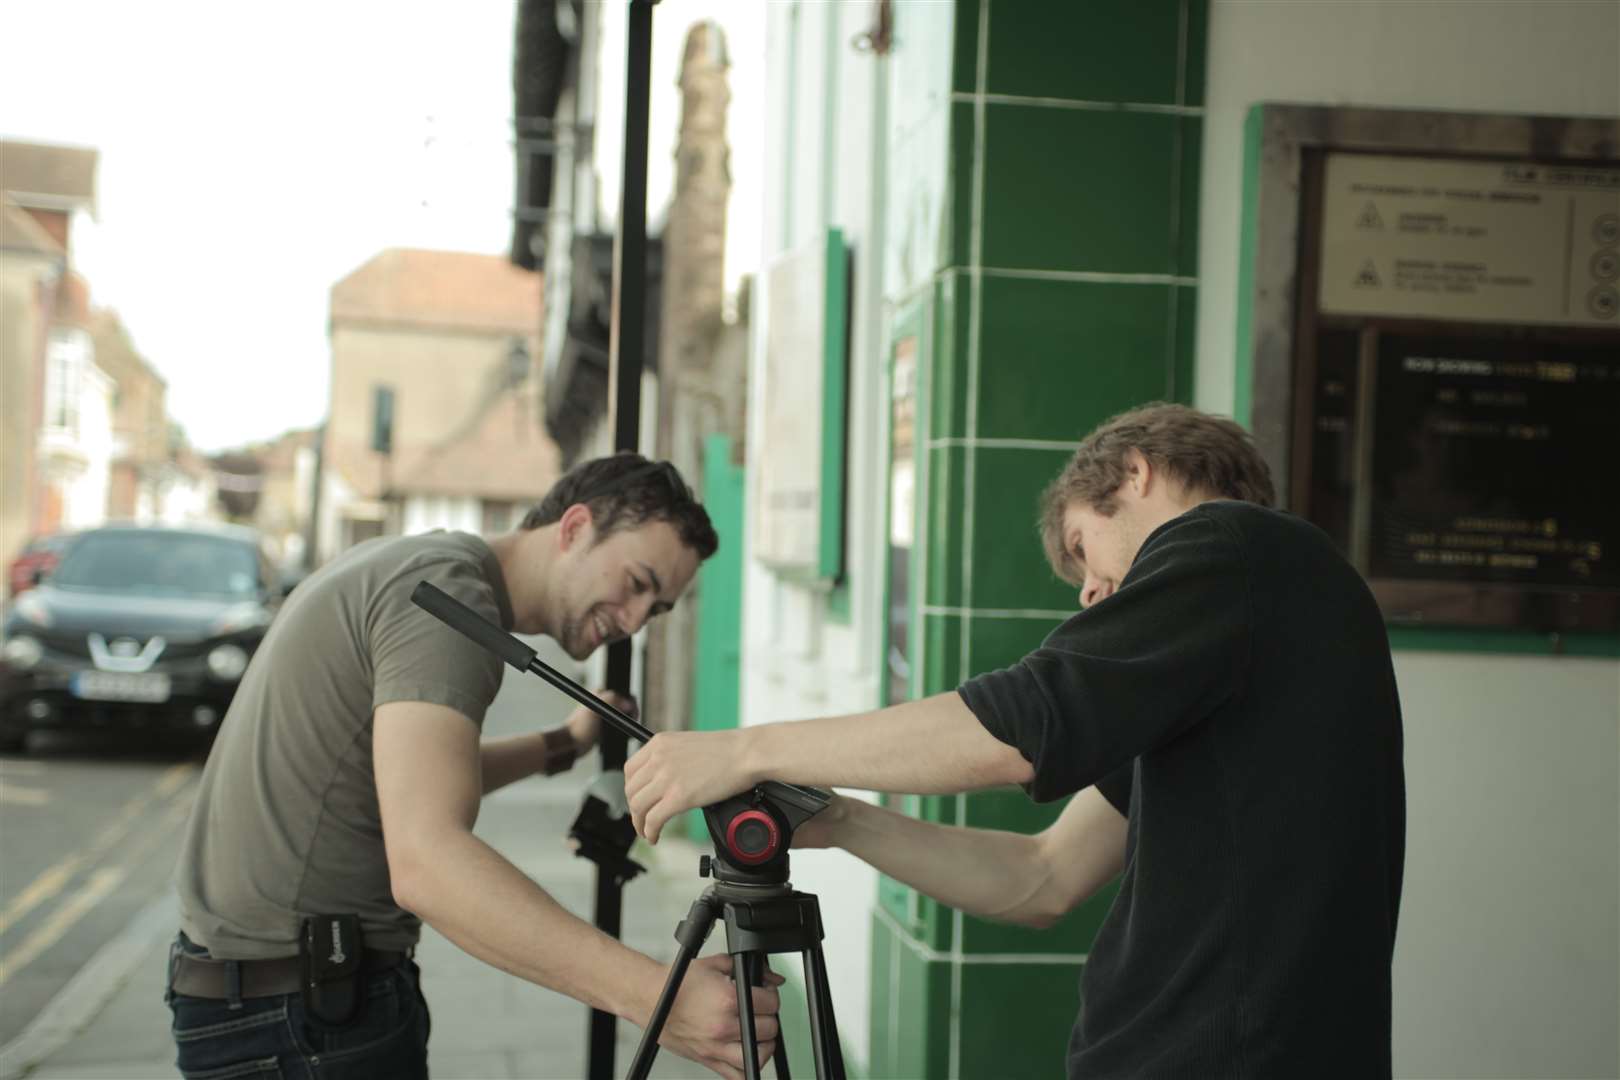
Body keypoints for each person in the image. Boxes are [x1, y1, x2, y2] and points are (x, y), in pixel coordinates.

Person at [625, 403, 1407, 1078]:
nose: (1092, 591)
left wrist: (745, 749)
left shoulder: (1232, 546)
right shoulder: (1248, 634)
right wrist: (844, 822)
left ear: (1134, 473)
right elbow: (1042, 878)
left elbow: (1021, 727)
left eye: (1080, 549)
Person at [168, 453, 781, 1080]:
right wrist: (660, 999)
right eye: (636, 582)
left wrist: (563, 743)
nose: (631, 621)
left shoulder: (429, 566)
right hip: (298, 1018)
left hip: (263, 999)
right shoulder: (452, 601)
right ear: (573, 529)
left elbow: (408, 777)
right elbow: (429, 865)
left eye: (655, 610)